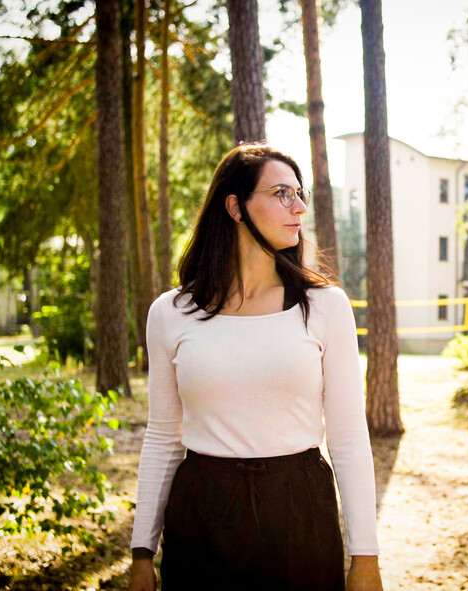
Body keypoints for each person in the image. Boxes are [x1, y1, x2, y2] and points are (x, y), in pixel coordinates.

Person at [127, 143, 382, 591]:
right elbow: (163, 435)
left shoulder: (326, 307)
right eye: (281, 192)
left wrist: (366, 557)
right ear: (236, 207)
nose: (299, 207)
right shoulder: (170, 312)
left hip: (299, 508)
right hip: (201, 513)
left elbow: (347, 438)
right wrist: (141, 553)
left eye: (299, 193)